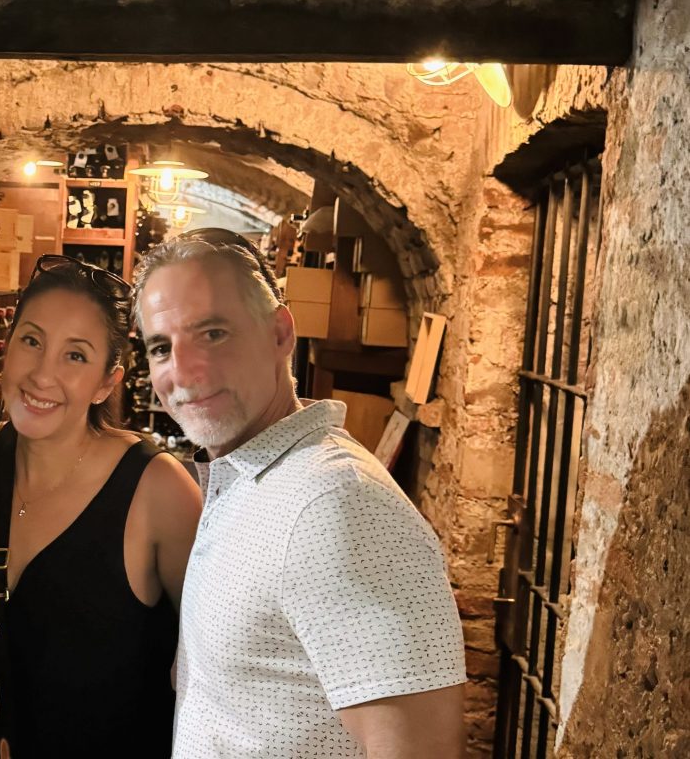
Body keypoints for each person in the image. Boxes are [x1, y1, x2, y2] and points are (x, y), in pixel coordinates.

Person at [131, 228, 468, 759]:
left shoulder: (338, 504)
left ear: (281, 333)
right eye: (161, 347)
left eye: (213, 333)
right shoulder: (250, 478)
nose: (184, 372)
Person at [0, 254, 202, 758]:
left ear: (106, 383)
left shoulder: (157, 490)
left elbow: (212, 669)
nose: (42, 375)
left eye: (75, 356)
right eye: (32, 341)